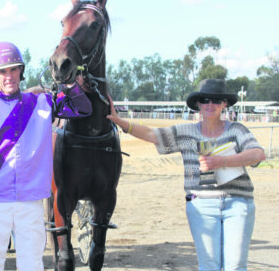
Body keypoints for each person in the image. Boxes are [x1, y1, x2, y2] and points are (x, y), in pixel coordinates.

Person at [0, 41, 91, 271]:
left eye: (13, 69)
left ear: (21, 71)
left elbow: (83, 108)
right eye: (2, 71)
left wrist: (68, 82)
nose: (9, 76)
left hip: (31, 203)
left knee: (32, 265)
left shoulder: (43, 102)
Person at [107, 79, 266, 271]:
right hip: (201, 204)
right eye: (205, 99)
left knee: (236, 265)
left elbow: (258, 154)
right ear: (198, 104)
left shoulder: (237, 130)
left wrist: (222, 162)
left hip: (238, 204)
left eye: (216, 100)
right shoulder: (186, 132)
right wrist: (121, 122)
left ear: (224, 104)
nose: (210, 104)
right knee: (209, 266)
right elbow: (152, 134)